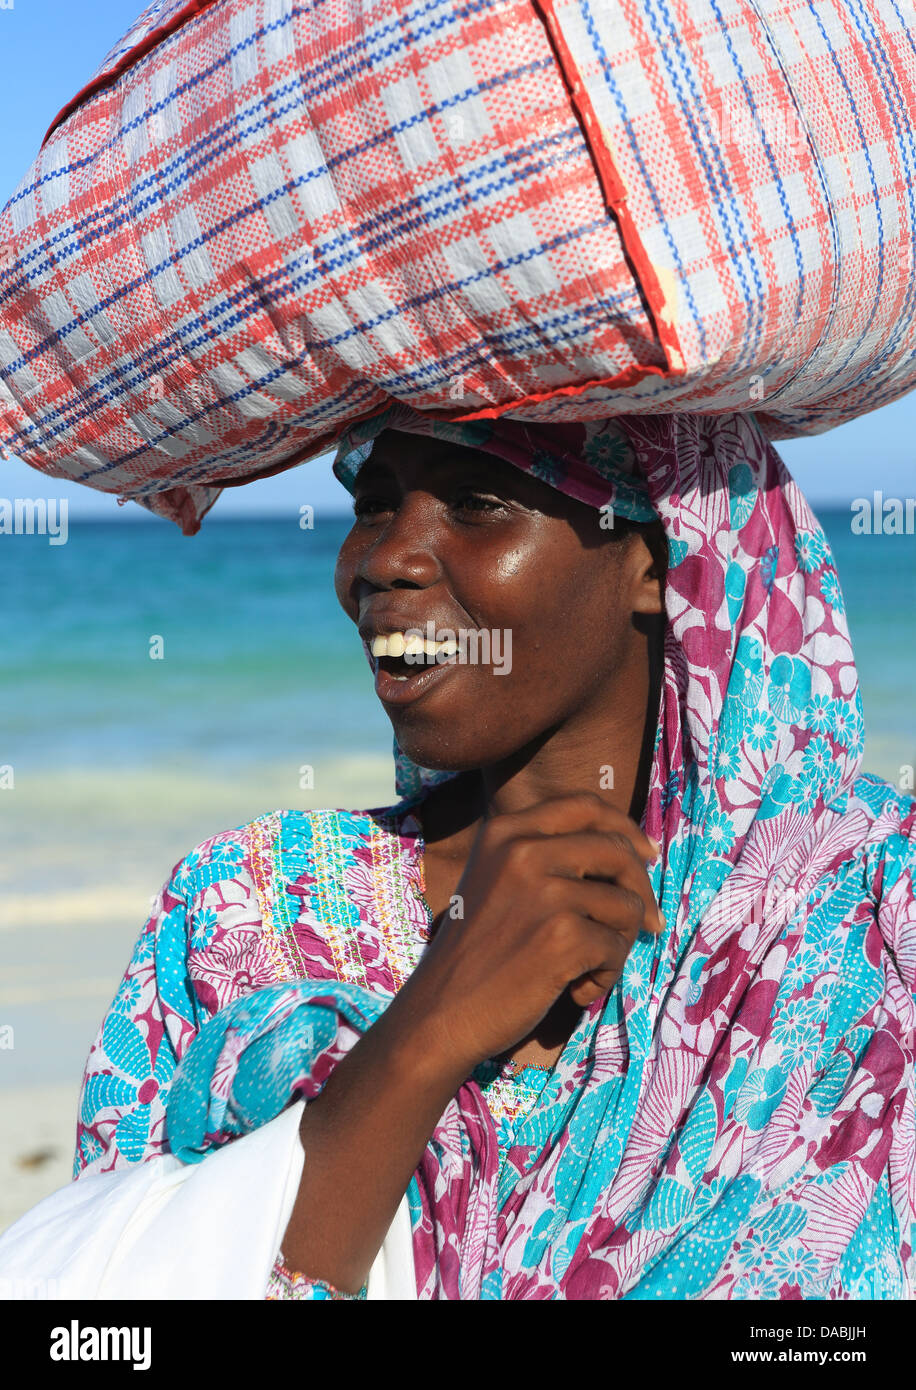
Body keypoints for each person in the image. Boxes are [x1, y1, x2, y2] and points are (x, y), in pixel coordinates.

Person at [69, 406, 915, 1300]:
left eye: (477, 501)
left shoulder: (869, 907)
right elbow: (104, 1309)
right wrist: (432, 1027)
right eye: (374, 503)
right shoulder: (244, 904)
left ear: (658, 557)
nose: (386, 559)